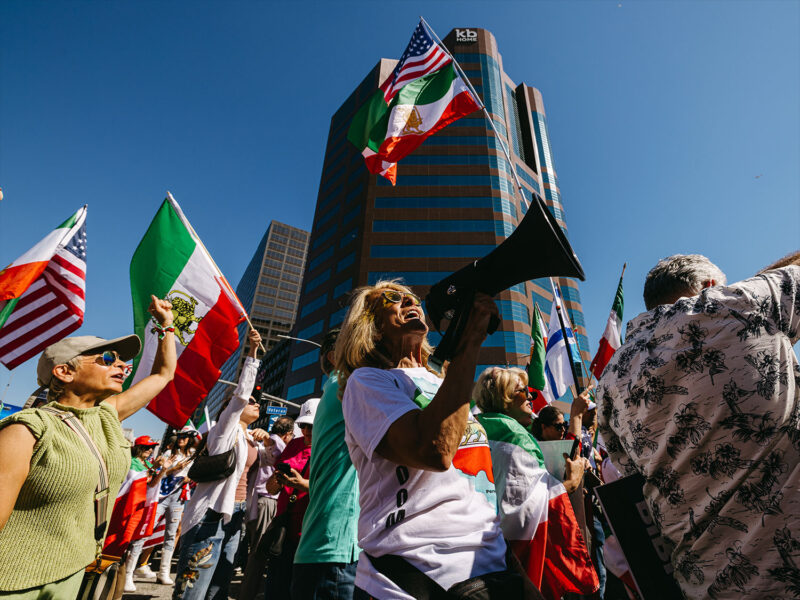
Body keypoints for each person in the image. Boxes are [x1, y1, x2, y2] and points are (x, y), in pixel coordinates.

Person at [597, 252, 800, 599]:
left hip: (709, 586)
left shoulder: (609, 382)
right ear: (709, 285)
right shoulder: (738, 303)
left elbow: (633, 482)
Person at [337, 280, 541, 599]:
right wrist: (469, 341)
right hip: (412, 575)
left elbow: (475, 489)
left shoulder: (444, 382)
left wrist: (517, 573)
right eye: (393, 298)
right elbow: (434, 451)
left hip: (493, 564)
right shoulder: (368, 382)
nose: (409, 302)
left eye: (412, 298)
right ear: (372, 327)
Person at [0, 296, 176, 598]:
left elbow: (164, 374)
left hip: (73, 573)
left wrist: (167, 326)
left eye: (121, 360)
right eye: (107, 358)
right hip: (15, 581)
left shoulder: (107, 415)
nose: (122, 365)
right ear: (64, 372)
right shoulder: (27, 429)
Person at [473, 367, 597, 598]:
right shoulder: (514, 435)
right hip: (518, 558)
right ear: (505, 397)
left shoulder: (476, 429)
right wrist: (571, 483)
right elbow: (525, 507)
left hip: (485, 553)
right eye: (523, 391)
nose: (531, 396)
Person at [172, 329, 264, 600]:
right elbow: (241, 395)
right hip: (212, 513)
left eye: (257, 402)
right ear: (230, 409)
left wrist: (270, 441)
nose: (256, 404)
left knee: (219, 588)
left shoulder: (251, 438)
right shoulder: (224, 430)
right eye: (252, 401)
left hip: (237, 515)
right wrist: (252, 354)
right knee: (193, 589)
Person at [292, 327, 363, 600]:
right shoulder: (344, 387)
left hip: (326, 544)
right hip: (335, 550)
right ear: (334, 357)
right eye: (359, 347)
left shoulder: (335, 390)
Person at [264, 397, 318, 598]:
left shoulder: (328, 446)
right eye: (303, 425)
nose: (307, 431)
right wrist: (278, 479)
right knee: (276, 587)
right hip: (284, 527)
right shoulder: (294, 444)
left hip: (309, 531)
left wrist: (301, 484)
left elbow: (331, 488)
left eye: (312, 426)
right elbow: (271, 489)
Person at [237, 415, 295, 599]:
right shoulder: (277, 444)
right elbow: (275, 452)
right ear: (288, 434)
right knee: (259, 552)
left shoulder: (266, 443)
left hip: (257, 500)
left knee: (255, 550)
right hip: (268, 500)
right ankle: (247, 594)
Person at [121, 435, 173, 592]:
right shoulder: (131, 461)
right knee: (125, 539)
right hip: (129, 506)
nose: (150, 450)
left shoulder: (149, 464)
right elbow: (139, 481)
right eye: (147, 447)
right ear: (138, 447)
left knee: (139, 539)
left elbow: (152, 484)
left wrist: (163, 470)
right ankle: (118, 573)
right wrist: (153, 469)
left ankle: (128, 574)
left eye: (152, 447)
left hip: (144, 507)